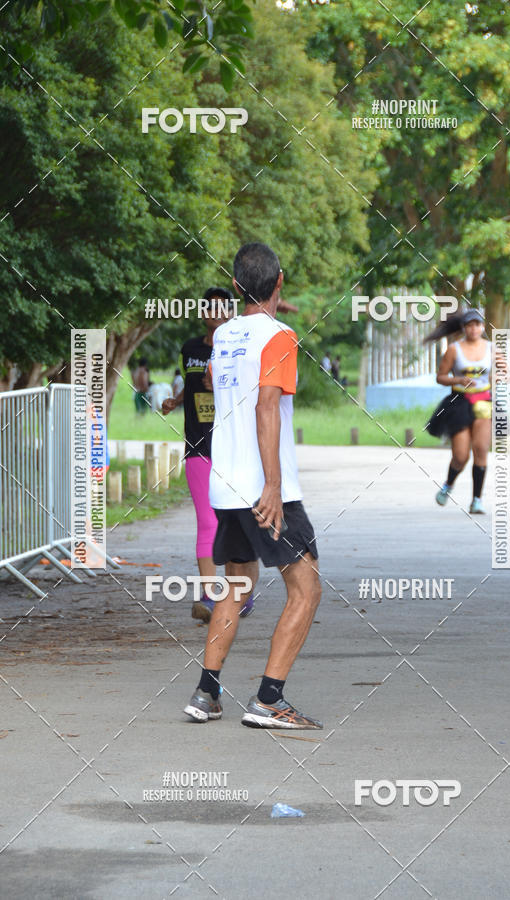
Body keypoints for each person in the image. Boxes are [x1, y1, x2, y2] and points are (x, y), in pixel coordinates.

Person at [184, 242, 322, 730]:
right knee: (306, 590)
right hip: (266, 489)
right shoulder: (281, 336)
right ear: (280, 283)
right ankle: (268, 699)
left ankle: (207, 693)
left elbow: (218, 384)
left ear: (237, 285)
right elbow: (267, 406)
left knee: (236, 585)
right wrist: (274, 485)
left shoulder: (223, 338)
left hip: (225, 486)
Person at [162, 288, 254, 622]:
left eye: (222, 308)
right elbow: (192, 382)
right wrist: (176, 400)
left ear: (232, 312)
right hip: (199, 447)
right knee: (207, 521)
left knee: (237, 521)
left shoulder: (240, 347)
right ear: (202, 312)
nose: (216, 313)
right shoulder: (190, 349)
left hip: (233, 447)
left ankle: (242, 591)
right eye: (210, 308)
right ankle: (209, 595)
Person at [425, 309, 492, 514]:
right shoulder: (454, 349)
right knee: (461, 455)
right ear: (464, 328)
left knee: (481, 449)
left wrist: (502, 376)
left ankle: (477, 500)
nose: (474, 329)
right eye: (470, 325)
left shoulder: (492, 348)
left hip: (484, 400)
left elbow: (503, 372)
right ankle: (449, 484)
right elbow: (440, 377)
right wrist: (458, 380)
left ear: (482, 327)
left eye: (477, 325)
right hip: (460, 401)